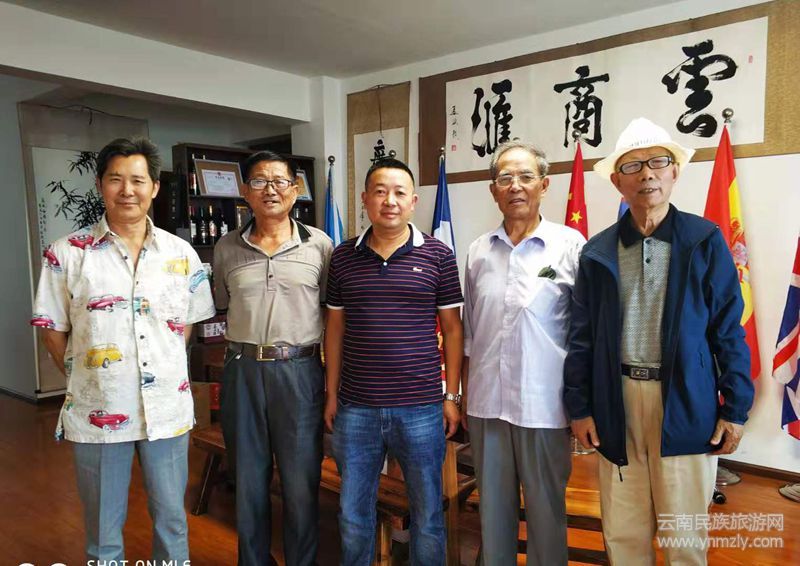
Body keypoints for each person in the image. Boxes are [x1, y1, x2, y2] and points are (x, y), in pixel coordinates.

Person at [564, 118, 755, 565]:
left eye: (657, 162)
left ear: (674, 172)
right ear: (617, 181)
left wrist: (736, 409)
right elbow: (582, 337)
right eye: (633, 166)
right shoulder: (598, 252)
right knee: (623, 533)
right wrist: (580, 407)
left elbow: (729, 329)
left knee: (683, 535)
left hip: (685, 398)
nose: (647, 174)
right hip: (616, 400)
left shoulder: (704, 240)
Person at [31, 137, 216, 561]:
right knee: (102, 529)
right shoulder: (67, 253)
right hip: (99, 410)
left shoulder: (181, 254)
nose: (127, 190)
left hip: (166, 409)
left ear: (154, 187)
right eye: (116, 179)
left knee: (172, 519)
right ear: (101, 185)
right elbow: (53, 331)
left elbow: (185, 325)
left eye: (138, 180)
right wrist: (91, 377)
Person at [324, 158, 463, 565]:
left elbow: (453, 330)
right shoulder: (343, 257)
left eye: (400, 192)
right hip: (356, 408)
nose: (390, 201)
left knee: (428, 514)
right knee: (353, 514)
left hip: (421, 408)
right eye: (380, 192)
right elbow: (335, 329)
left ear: (413, 201)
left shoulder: (438, 255)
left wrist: (451, 396)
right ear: (365, 199)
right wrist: (331, 395)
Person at [462, 141, 583, 565]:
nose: (515, 186)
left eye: (526, 177)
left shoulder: (569, 246)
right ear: (493, 190)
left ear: (544, 185)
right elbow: (470, 333)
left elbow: (582, 334)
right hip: (487, 405)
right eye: (505, 178)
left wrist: (580, 405)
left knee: (546, 513)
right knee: (492, 512)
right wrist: (462, 397)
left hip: (544, 406)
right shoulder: (479, 251)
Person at [214, 150, 333, 566]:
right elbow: (223, 305)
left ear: (295, 190)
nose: (270, 190)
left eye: (280, 181)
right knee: (248, 480)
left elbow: (331, 314)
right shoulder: (226, 247)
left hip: (300, 371)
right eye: (259, 181)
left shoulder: (320, 245)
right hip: (242, 370)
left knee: (301, 482)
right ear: (245, 191)